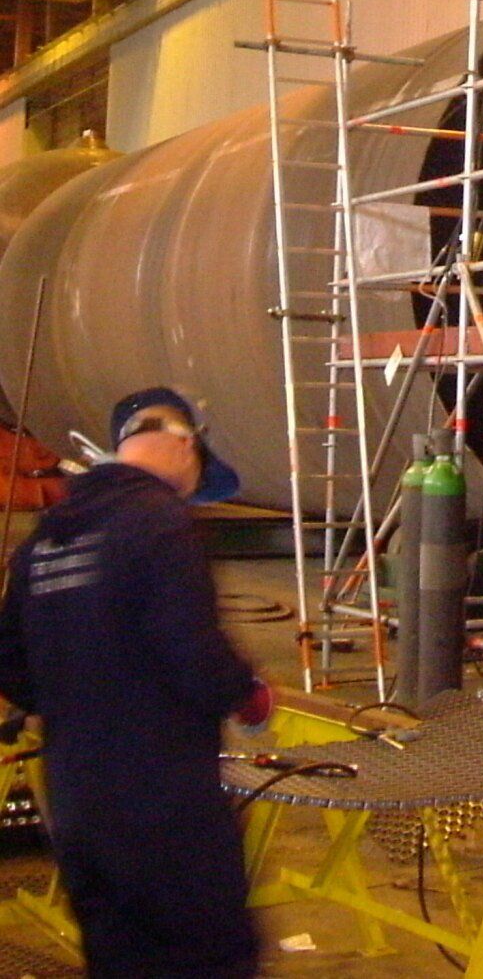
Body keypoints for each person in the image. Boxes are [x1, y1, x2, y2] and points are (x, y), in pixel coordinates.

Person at [0, 387, 271, 978]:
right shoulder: (160, 522)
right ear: (184, 444)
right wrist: (247, 694)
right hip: (163, 807)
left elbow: (13, 668)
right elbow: (195, 655)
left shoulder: (46, 537)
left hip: (77, 806)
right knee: (207, 958)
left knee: (119, 959)